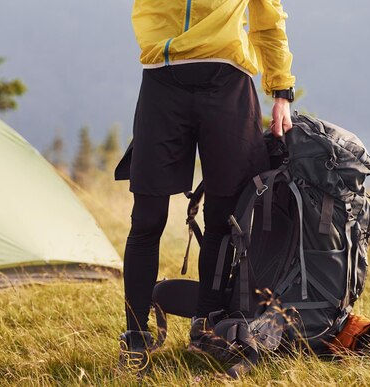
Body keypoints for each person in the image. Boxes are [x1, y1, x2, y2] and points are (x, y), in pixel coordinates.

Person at [115, 0, 296, 375]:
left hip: (227, 79)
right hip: (162, 77)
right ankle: (135, 337)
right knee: (147, 218)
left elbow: (268, 15)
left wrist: (281, 90)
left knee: (223, 218)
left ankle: (207, 326)